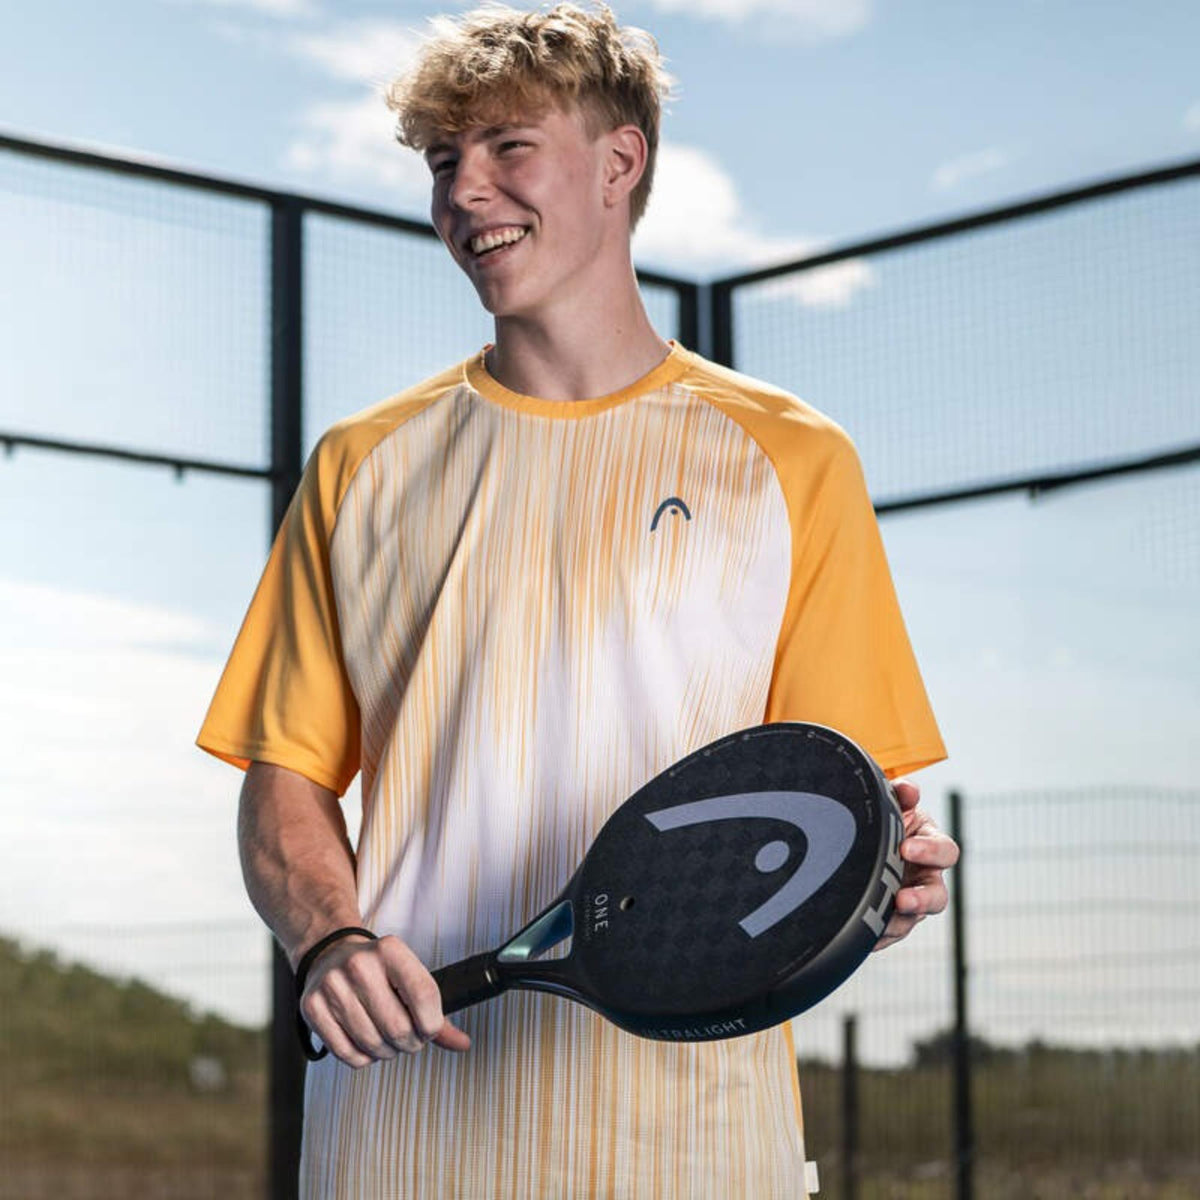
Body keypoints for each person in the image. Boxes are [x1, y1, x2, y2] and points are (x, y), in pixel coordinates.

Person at [197, 4, 958, 1196]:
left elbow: (833, 797)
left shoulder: (793, 459)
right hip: (397, 1139)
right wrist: (328, 937)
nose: (466, 194)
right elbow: (285, 782)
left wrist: (883, 883)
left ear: (620, 162)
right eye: (444, 163)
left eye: (508, 148)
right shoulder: (359, 465)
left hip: (696, 1148)